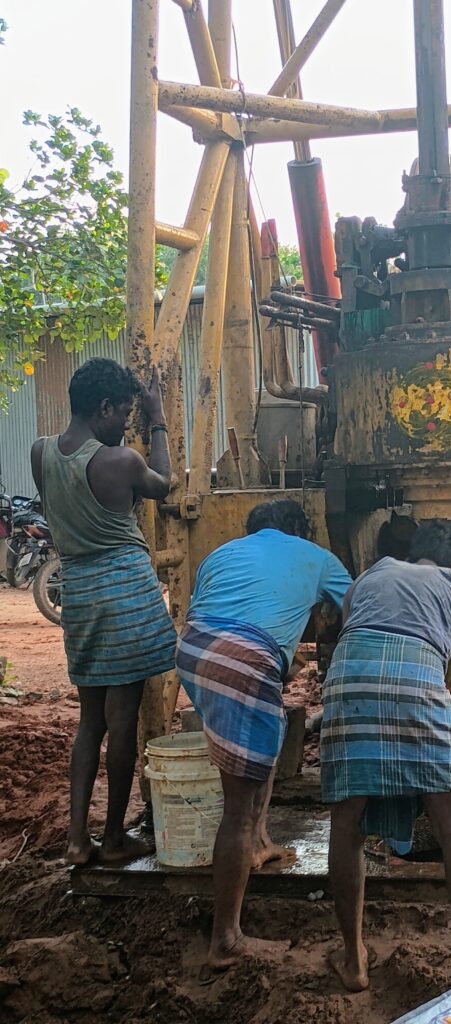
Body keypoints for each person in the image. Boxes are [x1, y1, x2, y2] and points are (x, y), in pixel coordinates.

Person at [320, 520, 451, 992]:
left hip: (346, 686)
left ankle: (354, 959)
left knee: (347, 826)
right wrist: (437, 724)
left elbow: (356, 638)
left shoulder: (366, 578)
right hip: (419, 685)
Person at [176, 498, 352, 972]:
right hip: (245, 659)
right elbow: (359, 608)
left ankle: (259, 841)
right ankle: (225, 939)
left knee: (264, 744)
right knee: (238, 802)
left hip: (195, 652)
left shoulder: (222, 553)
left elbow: (209, 610)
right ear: (299, 529)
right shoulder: (316, 557)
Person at [30, 357, 176, 866]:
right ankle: (113, 836)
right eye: (124, 414)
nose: (125, 425)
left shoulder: (40, 452)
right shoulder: (120, 461)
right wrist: (158, 420)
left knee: (89, 721)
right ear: (105, 407)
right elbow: (165, 483)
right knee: (123, 719)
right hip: (125, 598)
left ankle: (76, 840)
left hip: (80, 596)